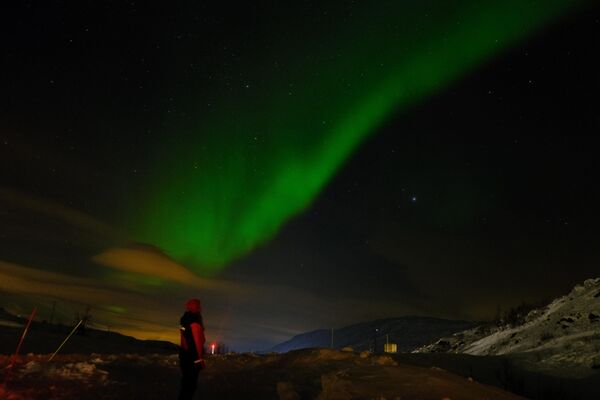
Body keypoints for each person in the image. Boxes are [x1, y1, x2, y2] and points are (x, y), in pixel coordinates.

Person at [178, 298, 206, 400]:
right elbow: (197, 341)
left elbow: (183, 338)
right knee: (190, 386)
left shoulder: (183, 319)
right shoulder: (195, 320)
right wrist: (199, 359)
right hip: (192, 357)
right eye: (197, 306)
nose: (200, 308)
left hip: (184, 354)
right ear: (191, 307)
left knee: (186, 384)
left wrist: (184, 352)